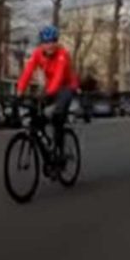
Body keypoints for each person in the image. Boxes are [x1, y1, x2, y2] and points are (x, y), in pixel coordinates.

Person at [16, 25, 80, 163]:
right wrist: (20, 91)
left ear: (57, 42)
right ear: (42, 44)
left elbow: (59, 76)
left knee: (57, 116)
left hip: (66, 86)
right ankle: (48, 144)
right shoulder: (37, 53)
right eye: (46, 42)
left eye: (52, 41)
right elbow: (28, 71)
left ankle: (60, 151)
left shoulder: (63, 54)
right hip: (51, 87)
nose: (49, 45)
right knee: (38, 117)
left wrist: (48, 93)